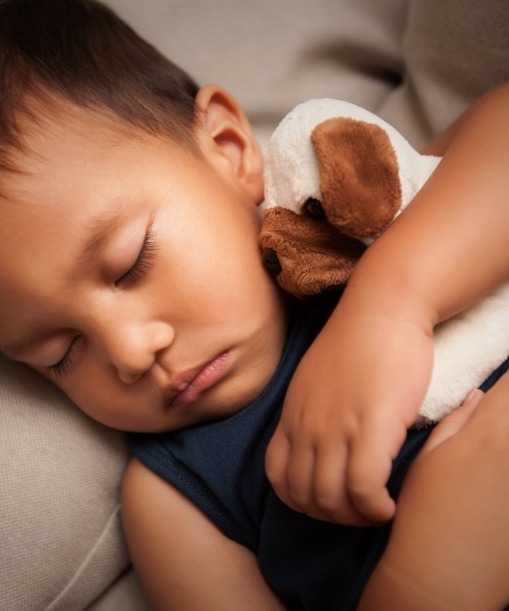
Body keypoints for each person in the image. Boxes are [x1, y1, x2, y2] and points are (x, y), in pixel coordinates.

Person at [0, 0, 508, 609]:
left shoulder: (355, 210)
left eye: (131, 261)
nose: (131, 353)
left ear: (229, 148)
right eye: (60, 352)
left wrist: (389, 303)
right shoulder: (172, 502)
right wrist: (430, 576)